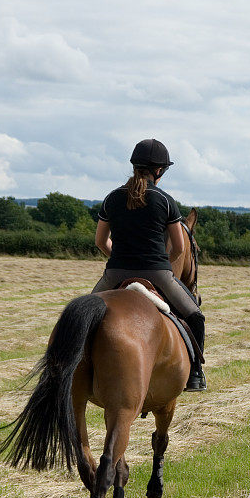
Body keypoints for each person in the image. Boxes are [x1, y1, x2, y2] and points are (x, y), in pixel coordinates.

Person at [92, 138, 207, 391]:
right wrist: (158, 262)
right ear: (160, 170)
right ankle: (195, 374)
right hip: (158, 273)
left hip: (115, 272)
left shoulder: (111, 198)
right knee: (196, 316)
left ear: (134, 166)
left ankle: (70, 368)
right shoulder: (165, 200)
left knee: (82, 315)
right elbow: (179, 248)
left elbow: (101, 241)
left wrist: (118, 256)